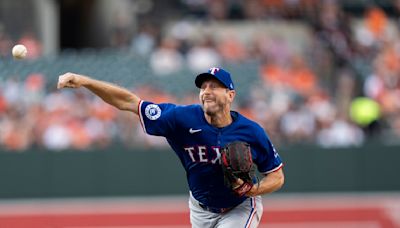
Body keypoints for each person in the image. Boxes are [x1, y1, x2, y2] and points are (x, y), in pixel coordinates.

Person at [57, 67, 285, 228]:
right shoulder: (181, 118)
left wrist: (252, 190)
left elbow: (276, 176)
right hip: (200, 208)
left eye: (215, 86)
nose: (207, 91)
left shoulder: (251, 131)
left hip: (240, 206)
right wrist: (84, 81)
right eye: (203, 87)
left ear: (230, 95)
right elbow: (129, 102)